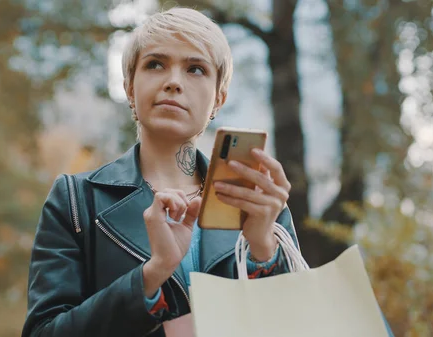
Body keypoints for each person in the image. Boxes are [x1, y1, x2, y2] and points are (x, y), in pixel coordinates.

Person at [21, 6, 394, 337]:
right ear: (129, 89)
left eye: (195, 69)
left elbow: (293, 321)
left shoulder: (258, 199)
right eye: (155, 64)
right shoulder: (75, 199)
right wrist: (153, 273)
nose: (173, 81)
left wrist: (263, 248)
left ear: (218, 99)